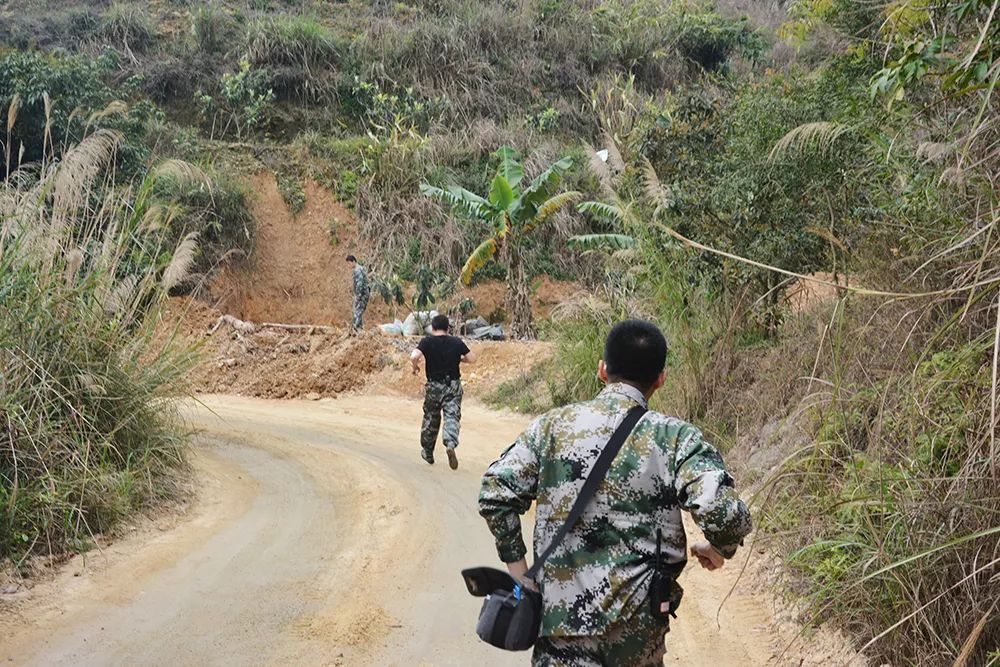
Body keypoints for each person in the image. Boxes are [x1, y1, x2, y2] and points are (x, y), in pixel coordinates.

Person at [478, 319, 752, 666]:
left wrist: (522, 579)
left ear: (602, 370)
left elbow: (494, 491)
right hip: (637, 638)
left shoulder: (549, 428)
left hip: (560, 631)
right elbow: (723, 511)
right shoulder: (675, 439)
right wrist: (718, 548)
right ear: (660, 379)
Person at [410, 315, 475, 469]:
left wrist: (415, 367)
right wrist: (459, 359)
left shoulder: (427, 341)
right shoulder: (456, 342)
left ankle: (428, 451)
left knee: (431, 417)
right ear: (448, 328)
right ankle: (450, 443)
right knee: (452, 416)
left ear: (433, 328)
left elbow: (414, 356)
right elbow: (472, 358)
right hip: (453, 385)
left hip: (434, 386)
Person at [346, 255, 369, 333]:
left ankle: (355, 329)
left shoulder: (358, 270)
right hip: (363, 294)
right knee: (357, 311)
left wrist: (358, 296)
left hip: (362, 295)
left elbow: (360, 285)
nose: (348, 266)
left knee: (357, 312)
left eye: (349, 263)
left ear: (354, 262)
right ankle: (360, 330)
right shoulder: (360, 268)